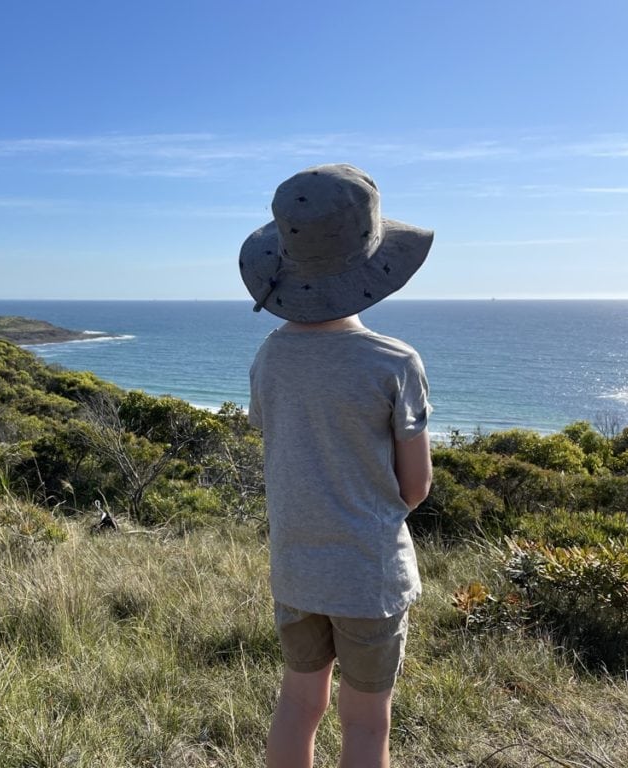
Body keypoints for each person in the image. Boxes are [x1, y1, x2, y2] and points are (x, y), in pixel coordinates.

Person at [241, 164, 434, 768]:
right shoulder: (394, 362)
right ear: (372, 266)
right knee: (367, 721)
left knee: (299, 704)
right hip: (368, 575)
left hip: (296, 568)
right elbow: (416, 487)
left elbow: (284, 443)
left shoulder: (269, 357)